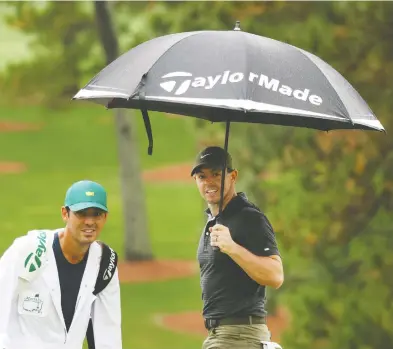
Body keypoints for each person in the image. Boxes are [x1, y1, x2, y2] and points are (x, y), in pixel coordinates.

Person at [0, 180, 122, 349]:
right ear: (65, 214)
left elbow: (108, 334)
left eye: (96, 214)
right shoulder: (28, 251)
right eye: (82, 213)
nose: (89, 221)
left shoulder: (105, 262)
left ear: (105, 217)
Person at [192, 146, 284, 349]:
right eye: (202, 176)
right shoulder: (214, 221)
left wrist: (232, 248)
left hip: (240, 336)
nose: (209, 182)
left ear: (233, 176)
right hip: (220, 336)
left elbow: (275, 275)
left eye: (216, 174)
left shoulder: (249, 217)